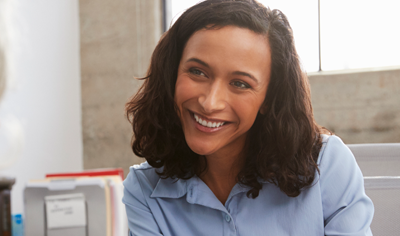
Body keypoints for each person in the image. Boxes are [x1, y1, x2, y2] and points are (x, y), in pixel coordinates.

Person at [123, 0, 374, 235]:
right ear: (172, 74)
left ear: (269, 98)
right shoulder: (144, 190)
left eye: (240, 84)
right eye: (197, 72)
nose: (210, 103)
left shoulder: (328, 164)